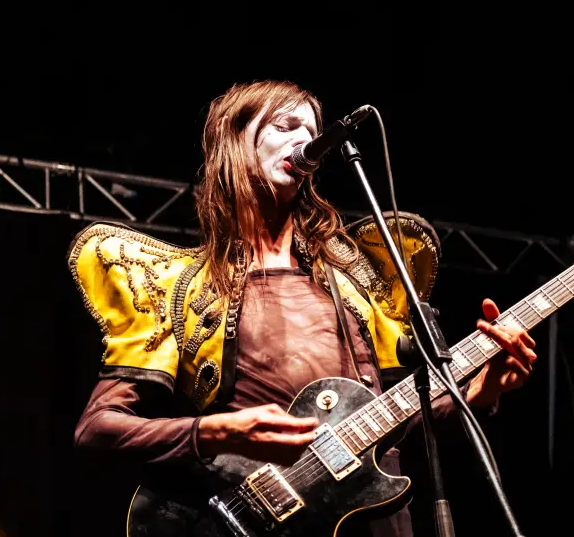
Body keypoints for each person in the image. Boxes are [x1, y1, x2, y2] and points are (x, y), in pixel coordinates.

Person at [67, 79, 538, 536]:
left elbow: (397, 419)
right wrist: (214, 431)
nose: (305, 140)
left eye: (312, 132)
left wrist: (481, 390)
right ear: (236, 142)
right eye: (285, 126)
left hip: (372, 520)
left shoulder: (353, 280)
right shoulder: (178, 288)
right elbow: (96, 429)